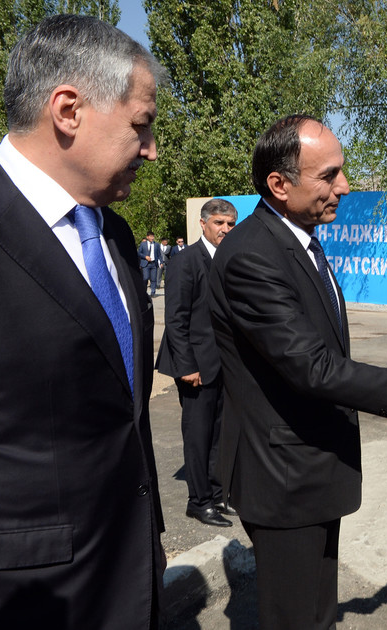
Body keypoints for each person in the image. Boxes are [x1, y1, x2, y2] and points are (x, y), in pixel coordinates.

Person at [208, 114, 387, 630]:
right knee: (295, 620)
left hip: (309, 468)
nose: (345, 186)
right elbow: (313, 367)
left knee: (318, 615)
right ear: (279, 185)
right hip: (283, 477)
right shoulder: (252, 255)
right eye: (329, 175)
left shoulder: (297, 240)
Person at [0, 15, 166, 628]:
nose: (152, 149)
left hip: (133, 576)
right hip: (24, 599)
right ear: (68, 110)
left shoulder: (114, 233)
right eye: (141, 124)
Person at [156, 198, 238, 528]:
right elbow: (176, 319)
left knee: (220, 433)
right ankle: (198, 502)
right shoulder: (185, 261)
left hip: (223, 364)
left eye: (230, 224)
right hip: (195, 366)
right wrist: (187, 366)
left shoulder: (231, 259)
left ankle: (217, 495)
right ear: (203, 224)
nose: (225, 229)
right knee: (198, 434)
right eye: (219, 223)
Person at [138, 230, 163, 295]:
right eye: (151, 236)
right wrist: (145, 257)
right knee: (145, 278)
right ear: (147, 237)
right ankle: (144, 292)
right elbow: (139, 253)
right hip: (146, 264)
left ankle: (153, 292)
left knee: (153, 279)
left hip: (154, 264)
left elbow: (159, 254)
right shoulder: (143, 244)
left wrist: (161, 262)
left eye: (153, 236)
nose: (152, 238)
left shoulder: (156, 244)